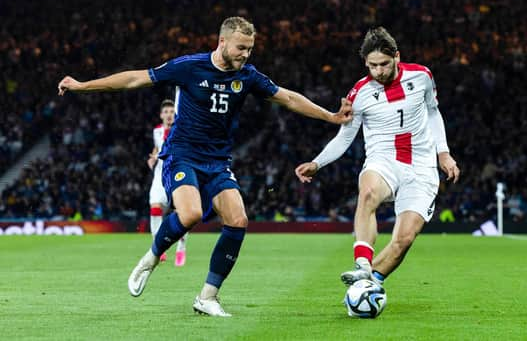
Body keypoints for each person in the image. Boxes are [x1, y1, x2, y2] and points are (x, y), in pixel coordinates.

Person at [58, 16, 353, 317]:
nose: (245, 55)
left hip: (218, 161)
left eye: (250, 49)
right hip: (182, 155)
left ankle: (207, 297)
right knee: (191, 213)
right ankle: (151, 257)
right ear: (222, 42)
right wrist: (83, 86)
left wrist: (330, 116)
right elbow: (135, 79)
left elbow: (287, 98)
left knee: (238, 220)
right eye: (240, 48)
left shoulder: (248, 76)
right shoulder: (189, 66)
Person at [295, 27, 459, 290]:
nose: (379, 71)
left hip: (422, 164)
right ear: (365, 63)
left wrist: (444, 153)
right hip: (384, 159)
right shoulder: (358, 94)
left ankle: (367, 284)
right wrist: (317, 163)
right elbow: (345, 137)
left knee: (404, 239)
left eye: (384, 64)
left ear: (397, 56)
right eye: (373, 66)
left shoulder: (422, 76)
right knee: (368, 192)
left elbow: (432, 112)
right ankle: (362, 262)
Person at [147, 99, 188, 266]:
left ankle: (181, 248)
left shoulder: (182, 129)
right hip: (160, 174)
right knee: (155, 209)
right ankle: (159, 247)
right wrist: (152, 158)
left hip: (176, 173)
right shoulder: (156, 131)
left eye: (172, 112)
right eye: (166, 112)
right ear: (161, 115)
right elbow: (156, 149)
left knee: (182, 213)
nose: (169, 115)